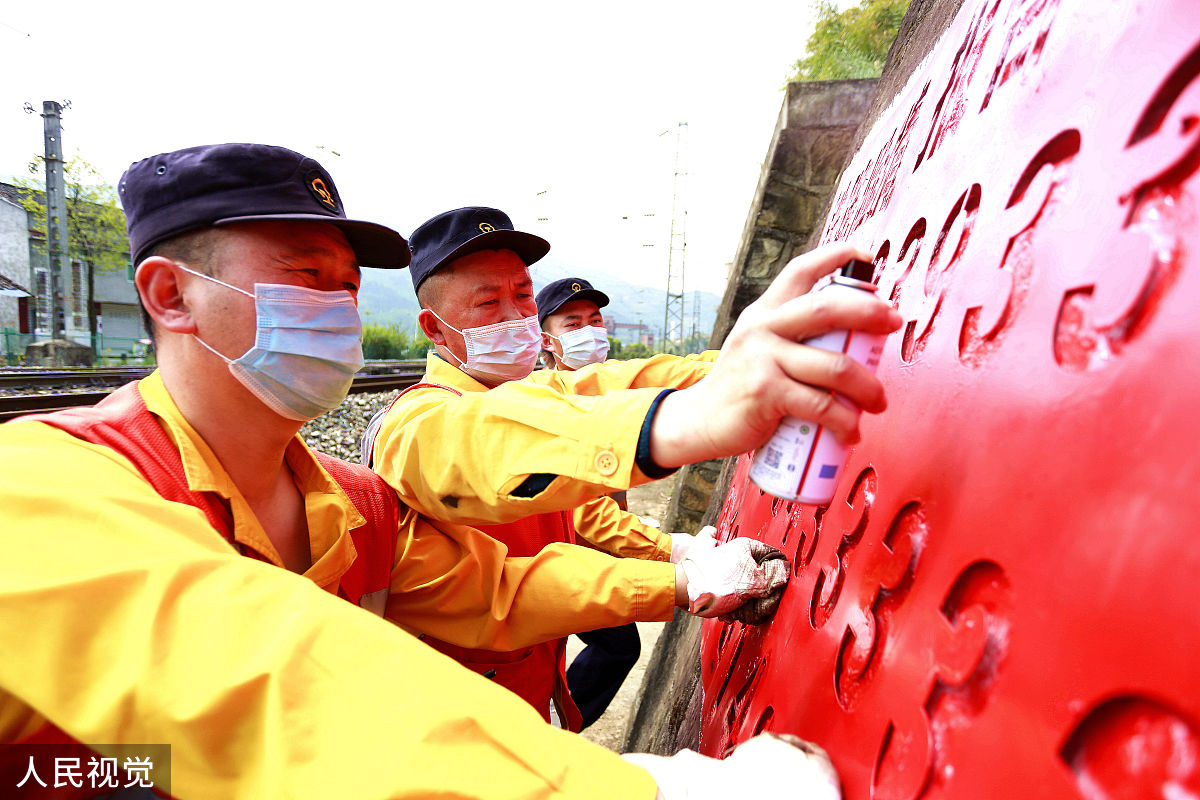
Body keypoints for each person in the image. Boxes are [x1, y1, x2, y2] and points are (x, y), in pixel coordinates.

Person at [0, 144, 872, 799]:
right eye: (306, 278)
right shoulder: (42, 484)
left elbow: (498, 591)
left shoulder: (352, 510)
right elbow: (267, 671)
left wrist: (679, 572)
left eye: (346, 288)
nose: (338, 312)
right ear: (168, 294)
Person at [535, 274, 716, 728]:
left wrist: (736, 365)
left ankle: (556, 728)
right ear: (546, 340)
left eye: (594, 320)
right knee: (607, 645)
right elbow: (587, 515)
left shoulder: (606, 388)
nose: (589, 331)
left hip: (584, 555)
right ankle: (555, 733)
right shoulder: (546, 404)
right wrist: (671, 551)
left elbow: (670, 371)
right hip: (551, 558)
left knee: (600, 646)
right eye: (572, 324)